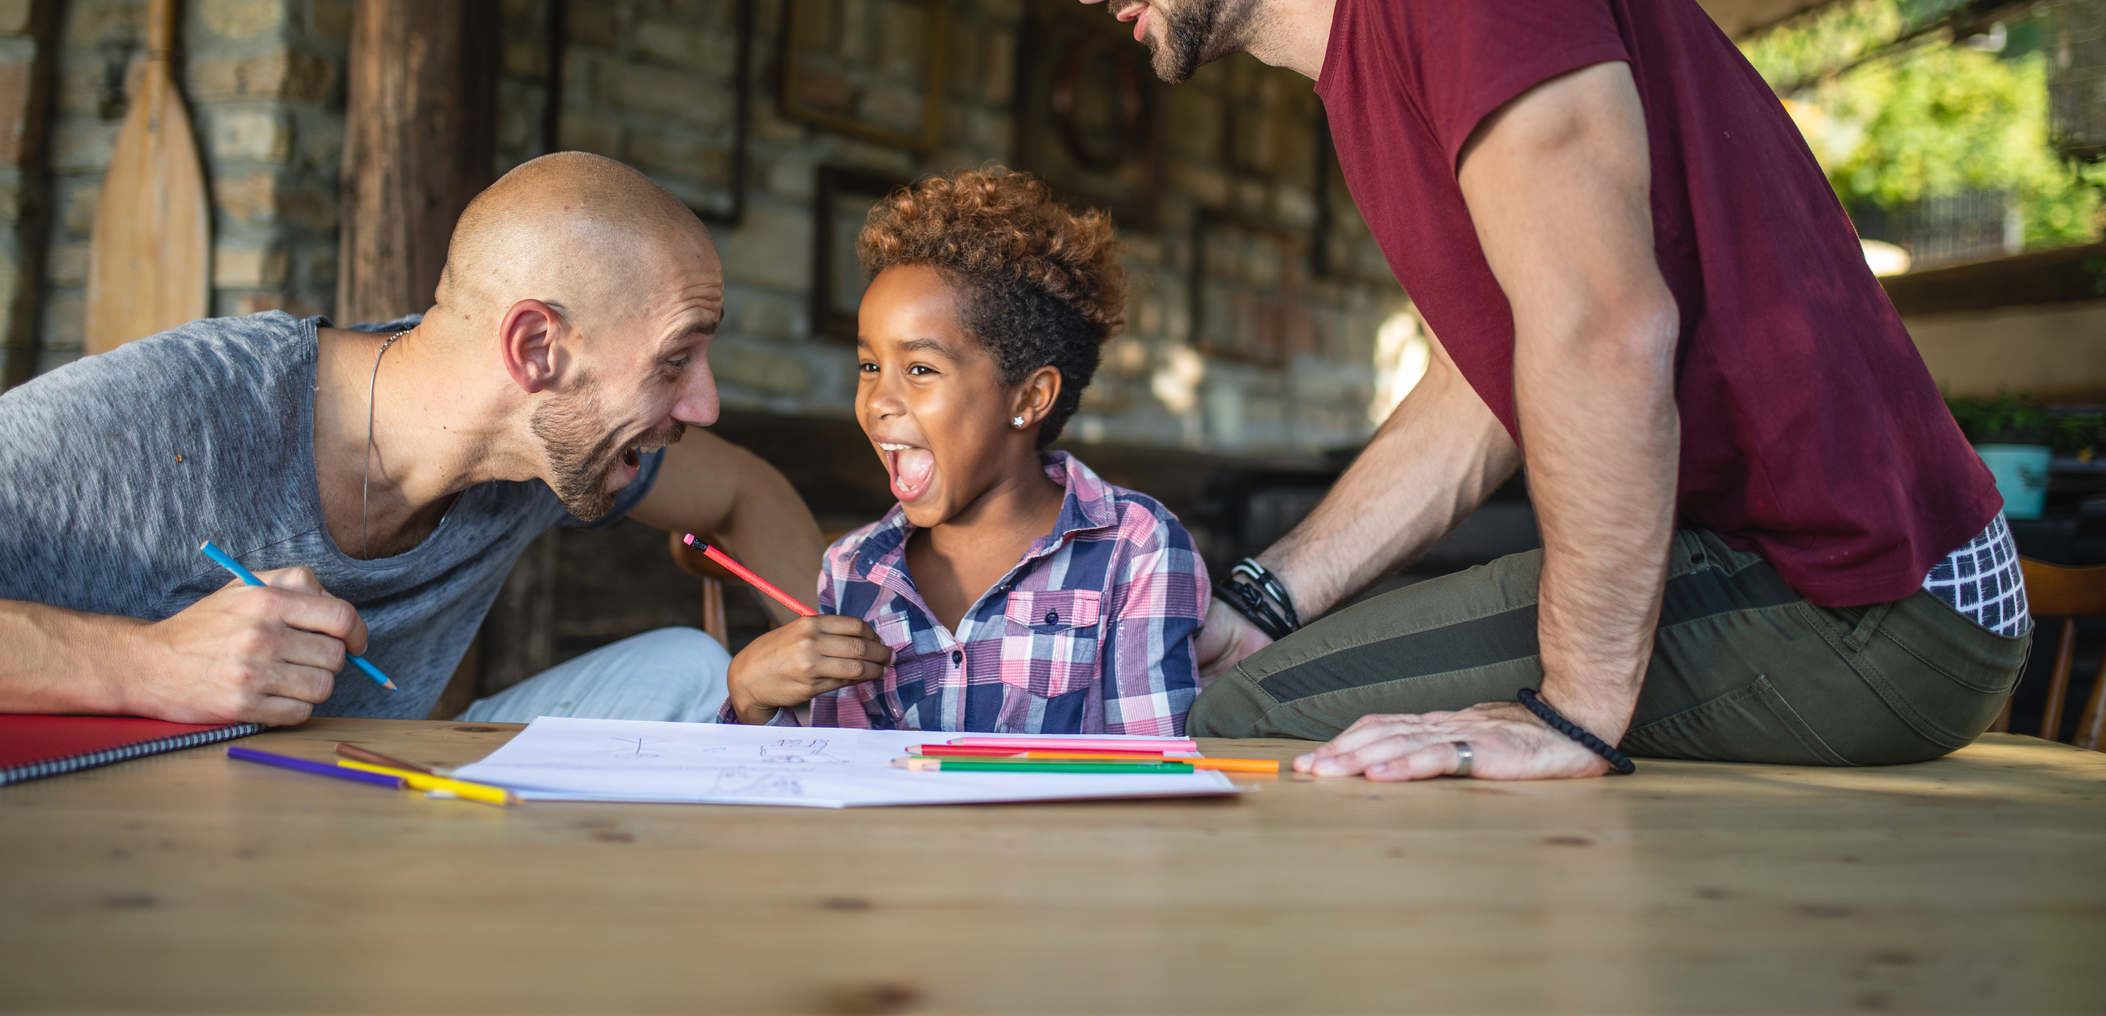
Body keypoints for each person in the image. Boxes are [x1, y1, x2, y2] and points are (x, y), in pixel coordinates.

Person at [1042, 0, 2030, 780]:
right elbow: (1495, 384)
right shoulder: (1375, 52)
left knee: (1247, 717)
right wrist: (1268, 595)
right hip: (1846, 588)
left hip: (1867, 600)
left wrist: (1571, 716)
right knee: (1249, 675)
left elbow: (1603, 321)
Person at [0, 152, 825, 726]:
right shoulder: (181, 410)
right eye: (675, 359)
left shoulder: (552, 454)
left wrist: (844, 684)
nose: (705, 404)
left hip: (351, 822)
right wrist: (150, 665)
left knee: (682, 676)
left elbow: (746, 491)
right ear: (535, 350)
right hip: (111, 854)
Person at [721, 168, 1207, 734]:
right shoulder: (854, 570)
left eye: (920, 369)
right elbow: (828, 778)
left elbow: (1154, 775)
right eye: (870, 366)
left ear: (1030, 396)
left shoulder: (1134, 547)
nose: (878, 399)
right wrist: (750, 702)